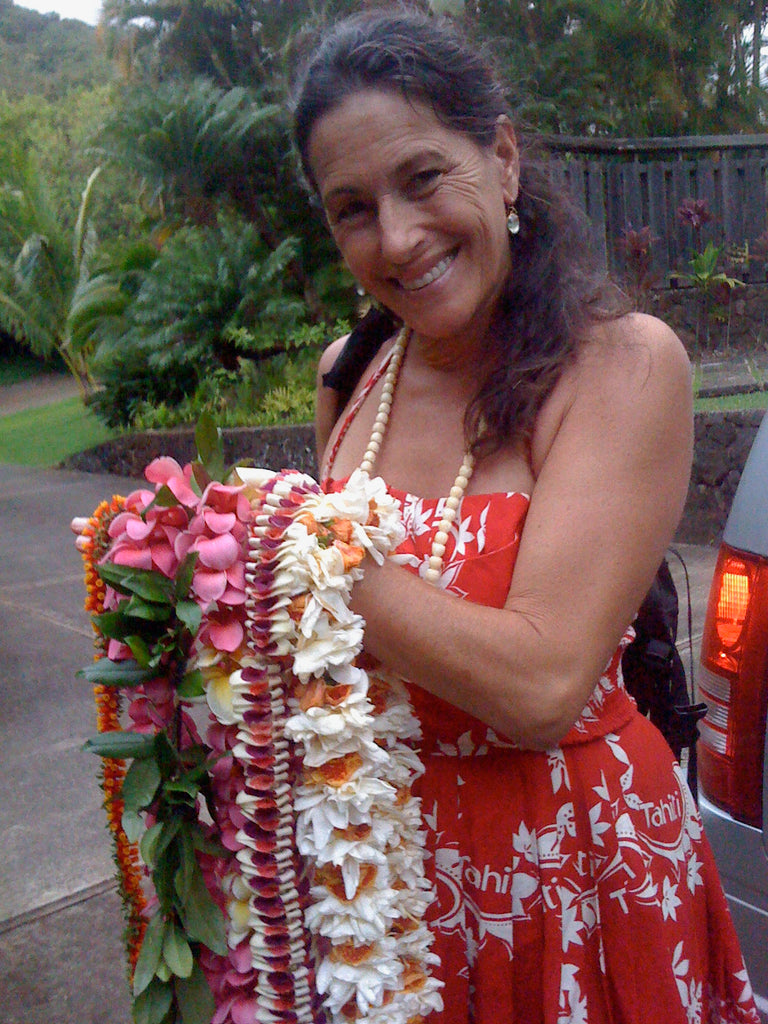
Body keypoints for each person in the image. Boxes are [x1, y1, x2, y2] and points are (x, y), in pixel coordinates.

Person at [292, 7, 761, 1023]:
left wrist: (290, 565)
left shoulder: (622, 365)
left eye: (424, 179)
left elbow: (546, 682)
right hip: (386, 877)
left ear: (501, 158)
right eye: (353, 208)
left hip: (571, 870)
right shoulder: (350, 374)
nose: (399, 236)